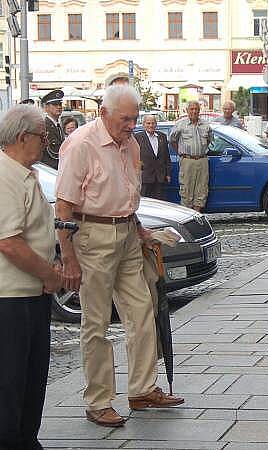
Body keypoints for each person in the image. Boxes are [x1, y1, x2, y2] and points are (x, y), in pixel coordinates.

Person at [55, 85, 184, 428]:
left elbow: (127, 191)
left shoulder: (130, 143)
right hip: (93, 235)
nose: (131, 125)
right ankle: (98, 401)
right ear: (104, 113)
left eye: (135, 118)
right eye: (125, 119)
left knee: (142, 309)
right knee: (95, 322)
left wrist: (138, 227)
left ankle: (142, 389)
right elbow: (64, 203)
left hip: (127, 232)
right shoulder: (82, 144)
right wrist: (67, 255)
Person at [0, 105, 62, 450]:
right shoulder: (5, 176)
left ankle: (26, 440)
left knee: (32, 380)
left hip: (31, 296)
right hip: (10, 299)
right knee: (11, 384)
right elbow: (8, 242)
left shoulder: (27, 172)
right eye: (43, 135)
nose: (47, 141)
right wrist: (50, 275)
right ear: (23, 138)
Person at [169, 100, 213, 212]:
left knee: (202, 189)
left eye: (196, 109)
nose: (194, 111)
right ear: (187, 110)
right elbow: (172, 140)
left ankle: (197, 216)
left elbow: (209, 141)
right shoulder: (180, 124)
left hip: (202, 160)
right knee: (186, 189)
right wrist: (180, 151)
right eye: (192, 109)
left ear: (199, 111)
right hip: (187, 160)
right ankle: (187, 217)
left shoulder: (205, 125)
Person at [134, 115, 172, 200]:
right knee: (146, 203)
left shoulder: (162, 136)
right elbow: (134, 156)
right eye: (148, 123)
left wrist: (168, 173)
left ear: (156, 124)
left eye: (153, 123)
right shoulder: (138, 137)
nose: (151, 125)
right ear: (144, 125)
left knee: (159, 203)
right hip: (145, 177)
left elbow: (166, 157)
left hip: (160, 177)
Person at [40, 89, 65, 169]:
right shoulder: (45, 125)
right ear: (46, 107)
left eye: (60, 104)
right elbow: (52, 154)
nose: (59, 107)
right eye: (54, 104)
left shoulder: (57, 125)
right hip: (50, 168)